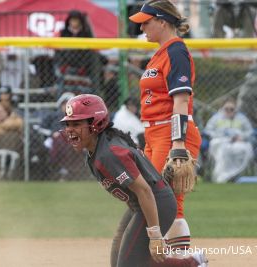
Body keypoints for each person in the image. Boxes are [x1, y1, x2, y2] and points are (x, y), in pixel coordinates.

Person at [59, 94, 207, 267]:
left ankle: (192, 264)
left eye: (77, 124)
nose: (70, 129)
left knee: (128, 264)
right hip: (142, 205)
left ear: (96, 124)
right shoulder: (96, 150)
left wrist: (155, 235)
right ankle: (194, 262)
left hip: (156, 203)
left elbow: (145, 191)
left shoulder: (109, 153)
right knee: (121, 259)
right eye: (68, 124)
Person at [129, 0, 202, 259]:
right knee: (163, 202)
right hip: (154, 134)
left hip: (170, 133)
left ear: (162, 21)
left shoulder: (176, 51)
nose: (142, 29)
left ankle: (182, 262)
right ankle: (175, 261)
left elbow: (181, 100)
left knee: (165, 202)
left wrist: (178, 143)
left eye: (146, 22)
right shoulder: (160, 53)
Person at [204, 98, 254, 183]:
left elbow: (250, 131)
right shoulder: (216, 118)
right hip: (220, 142)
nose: (229, 111)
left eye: (232, 109)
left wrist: (242, 137)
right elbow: (208, 130)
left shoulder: (242, 118)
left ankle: (235, 175)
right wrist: (220, 136)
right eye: (226, 109)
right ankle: (221, 176)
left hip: (238, 142)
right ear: (222, 108)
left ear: (235, 109)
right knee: (223, 151)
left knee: (243, 149)